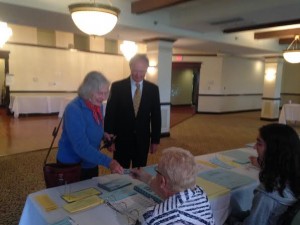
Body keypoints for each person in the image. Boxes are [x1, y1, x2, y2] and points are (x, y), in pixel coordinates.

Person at [227, 123, 300, 225]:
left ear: (274, 150)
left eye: (259, 144)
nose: (254, 147)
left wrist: (231, 221)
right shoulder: (292, 177)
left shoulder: (267, 194)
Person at [56, 71, 123, 180]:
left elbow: (94, 126)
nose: (103, 97)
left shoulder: (97, 105)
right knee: (73, 196)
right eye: (99, 93)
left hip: (90, 161)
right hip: (72, 165)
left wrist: (103, 135)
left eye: (105, 93)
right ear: (88, 90)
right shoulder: (74, 109)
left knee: (91, 194)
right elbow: (81, 146)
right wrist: (109, 162)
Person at [130, 147, 215, 225]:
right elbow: (167, 189)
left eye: (157, 171)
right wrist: (146, 178)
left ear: (163, 181)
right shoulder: (200, 193)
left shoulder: (151, 219)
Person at [104, 54, 161, 168]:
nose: (138, 75)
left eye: (142, 71)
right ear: (130, 67)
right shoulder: (117, 87)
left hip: (142, 141)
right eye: (135, 70)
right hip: (121, 141)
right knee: (119, 174)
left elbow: (156, 116)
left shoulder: (153, 89)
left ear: (146, 69)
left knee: (139, 174)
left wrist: (155, 140)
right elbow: (110, 115)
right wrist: (109, 141)